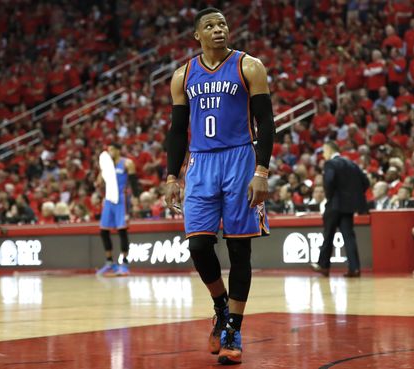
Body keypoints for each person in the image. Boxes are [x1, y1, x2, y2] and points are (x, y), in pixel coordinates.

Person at [164, 7, 275, 365]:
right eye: (209, 26)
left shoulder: (249, 66)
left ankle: (234, 329)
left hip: (240, 160)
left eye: (222, 24)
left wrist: (262, 171)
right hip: (200, 163)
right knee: (198, 246)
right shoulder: (183, 76)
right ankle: (221, 307)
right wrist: (170, 176)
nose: (218, 30)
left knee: (240, 251)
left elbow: (266, 122)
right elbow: (177, 130)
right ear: (197, 35)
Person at [310, 141, 369, 277]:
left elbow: (329, 182)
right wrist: (354, 196)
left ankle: (323, 266)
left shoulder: (331, 163)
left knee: (328, 234)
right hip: (349, 206)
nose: (323, 154)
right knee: (349, 236)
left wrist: (330, 196)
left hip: (335, 204)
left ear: (330, 150)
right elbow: (365, 182)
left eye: (324, 151)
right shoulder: (352, 164)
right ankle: (354, 268)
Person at [96, 143, 138, 276]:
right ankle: (110, 263)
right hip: (109, 199)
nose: (110, 152)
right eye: (108, 150)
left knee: (122, 230)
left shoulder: (127, 163)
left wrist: (135, 198)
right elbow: (99, 182)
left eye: (112, 149)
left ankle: (124, 264)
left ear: (118, 150)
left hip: (121, 198)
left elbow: (133, 181)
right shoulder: (107, 166)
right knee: (103, 230)